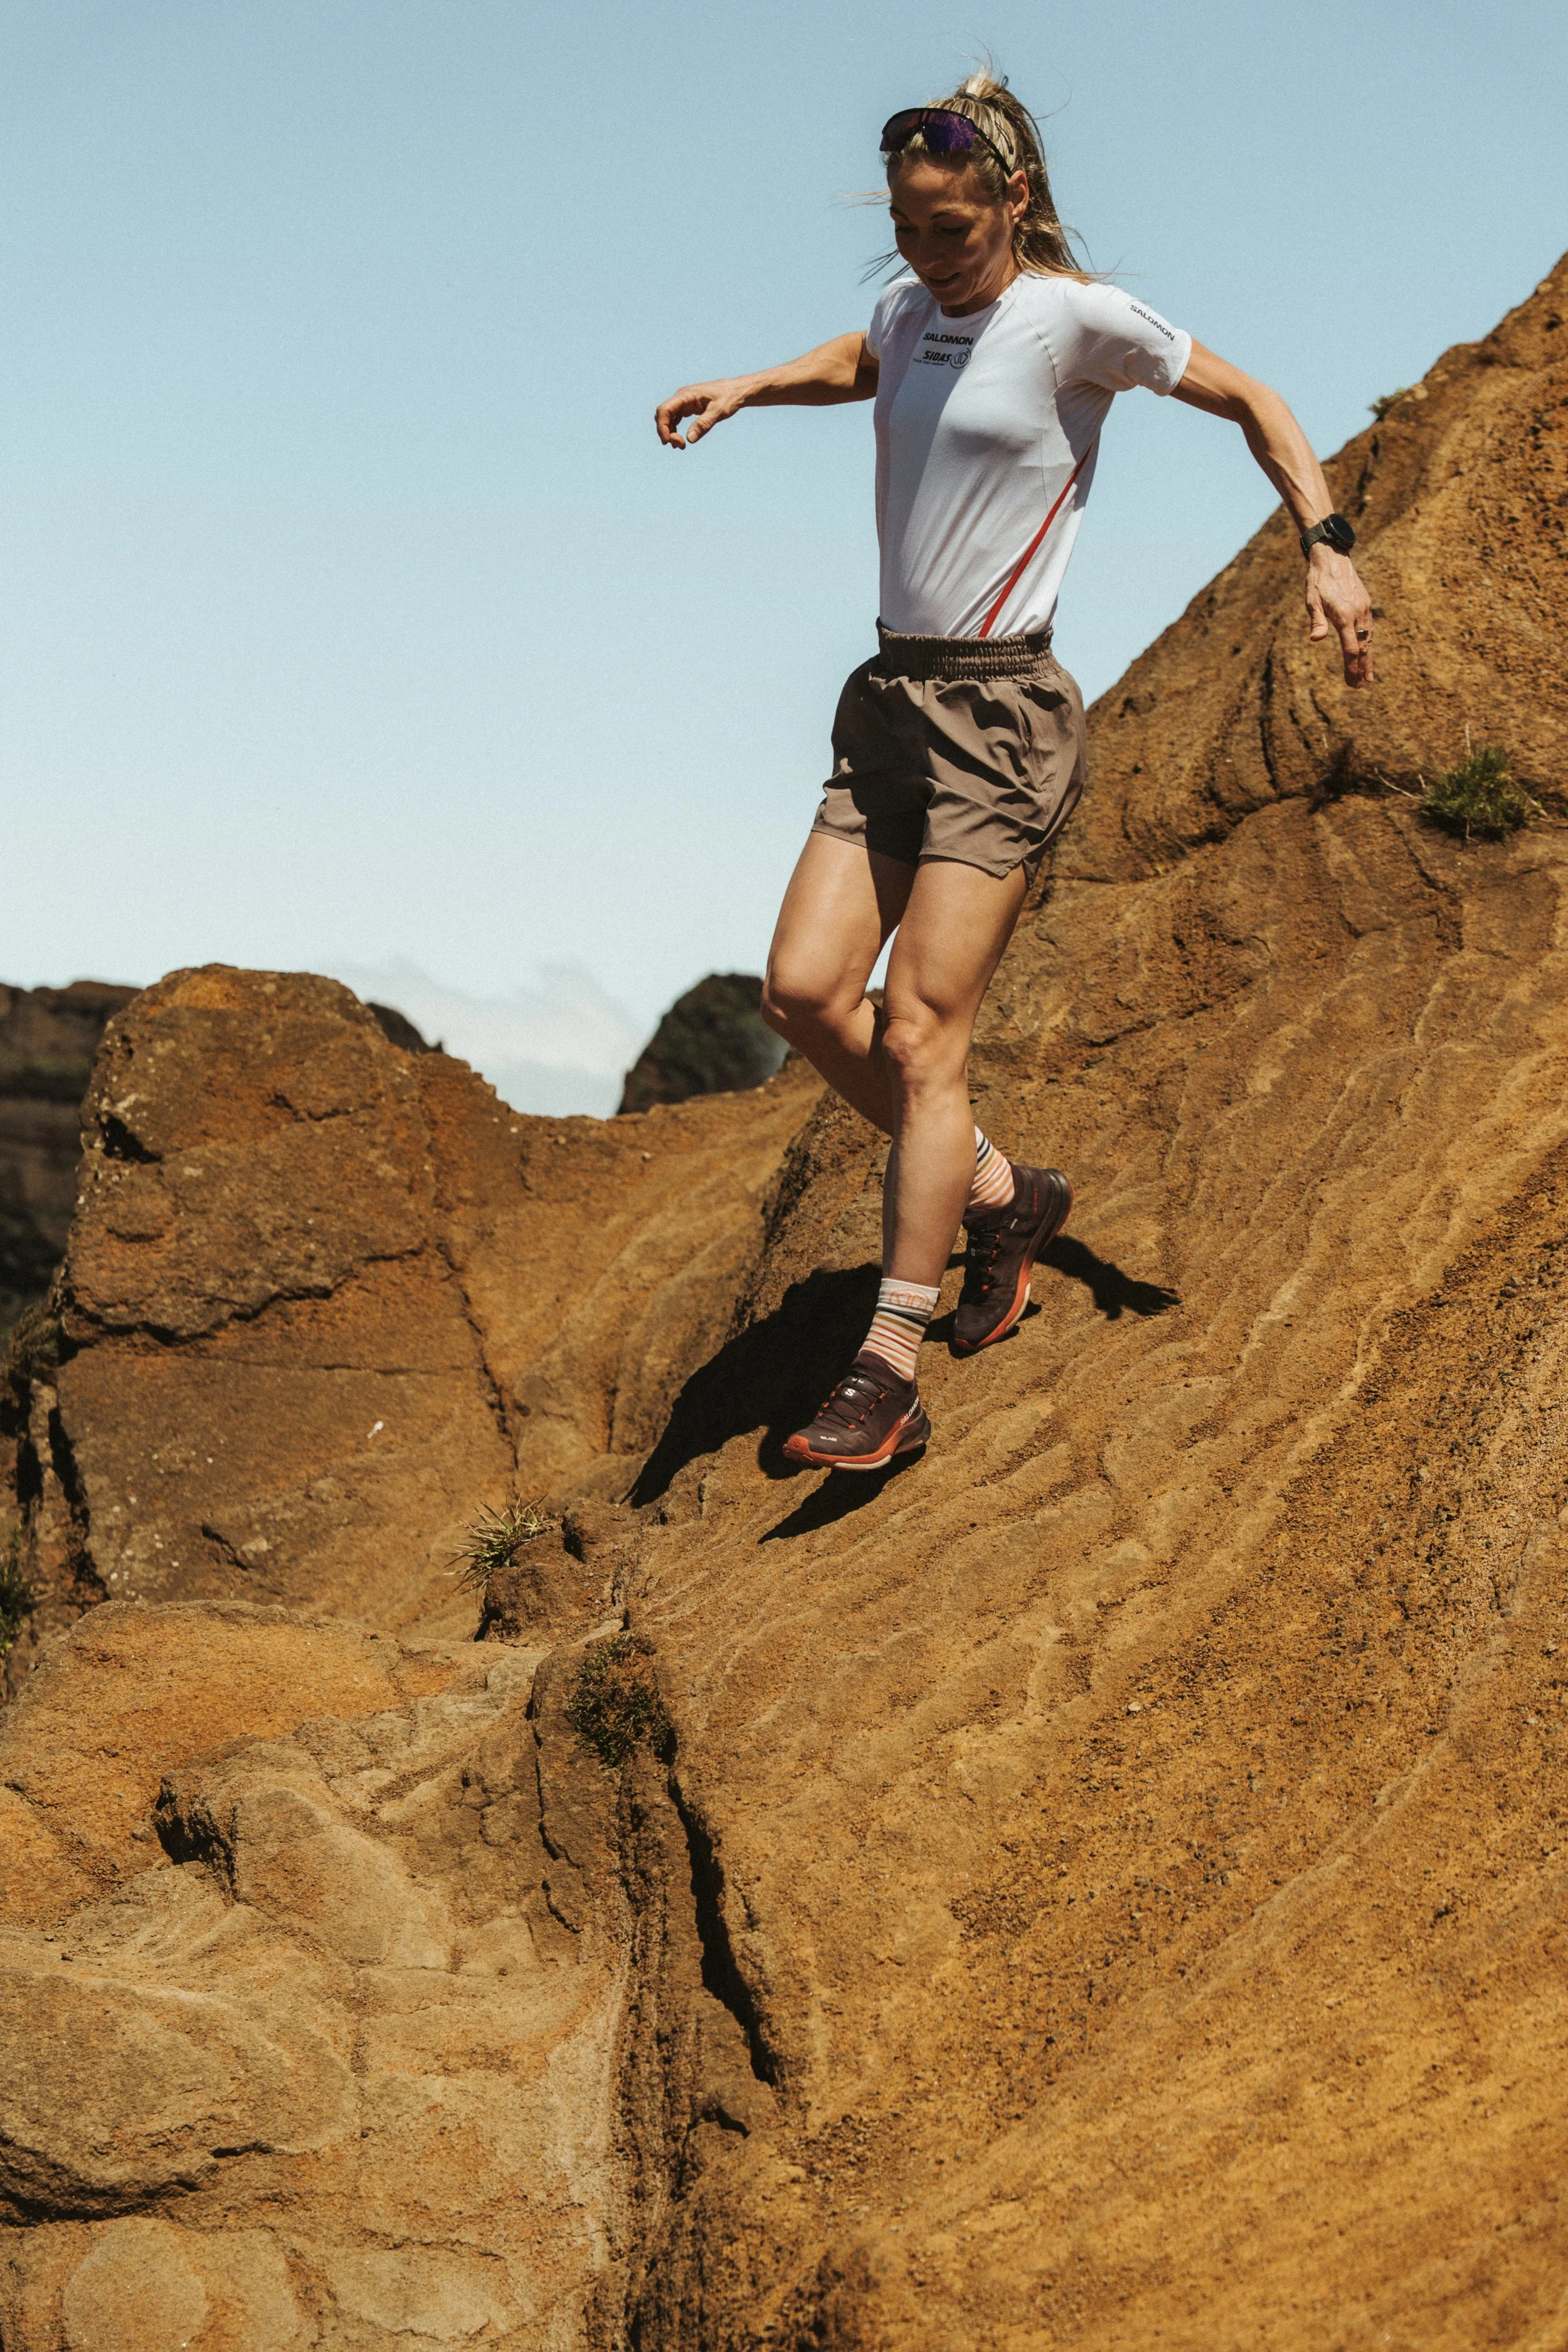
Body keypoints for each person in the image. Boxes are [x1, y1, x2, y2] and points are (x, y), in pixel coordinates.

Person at [655, 70, 1374, 1472]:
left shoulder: (1072, 319)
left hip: (999, 714)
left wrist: (1326, 541)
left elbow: (1252, 400)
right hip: (888, 700)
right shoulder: (909, 305)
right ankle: (1002, 1192)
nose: (926, 253)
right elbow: (862, 356)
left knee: (924, 1036)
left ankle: (887, 1366)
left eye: (950, 228)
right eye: (909, 229)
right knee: (801, 993)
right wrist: (751, 384)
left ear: (1012, 201)